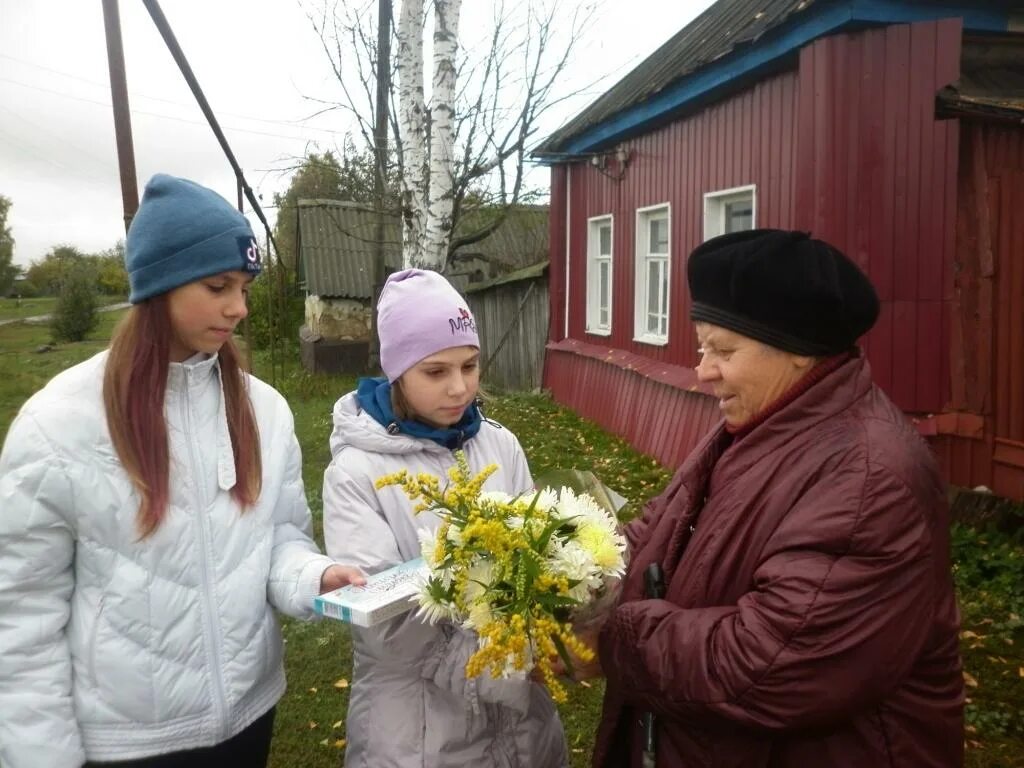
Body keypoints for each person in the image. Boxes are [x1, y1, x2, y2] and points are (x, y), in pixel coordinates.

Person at [0, 174, 364, 768]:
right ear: (159, 285)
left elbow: (279, 536)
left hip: (249, 720)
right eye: (218, 286)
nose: (239, 307)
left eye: (244, 287)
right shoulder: (58, 424)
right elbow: (20, 618)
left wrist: (313, 576)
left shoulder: (264, 410)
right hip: (125, 743)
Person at [583, 229, 964, 767]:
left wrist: (611, 641)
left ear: (800, 352)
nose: (703, 370)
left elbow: (770, 665)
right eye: (702, 346)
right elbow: (662, 529)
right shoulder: (763, 424)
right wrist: (570, 569)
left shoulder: (868, 479)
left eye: (723, 350)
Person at [322, 268, 569, 767]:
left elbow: (539, 553)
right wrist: (509, 663)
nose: (459, 388)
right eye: (436, 372)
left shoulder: (500, 444)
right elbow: (387, 626)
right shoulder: (357, 472)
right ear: (398, 372)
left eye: (470, 366)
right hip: (420, 732)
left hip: (524, 727)